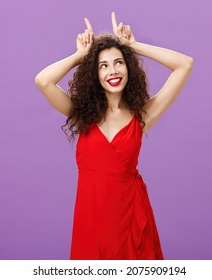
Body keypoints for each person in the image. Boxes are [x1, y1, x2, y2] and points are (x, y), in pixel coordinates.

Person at [35, 12, 193, 260]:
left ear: (128, 66)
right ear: (95, 74)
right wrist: (79, 57)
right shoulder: (82, 114)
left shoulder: (142, 116)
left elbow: (184, 64)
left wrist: (133, 45)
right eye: (103, 65)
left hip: (130, 219)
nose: (113, 71)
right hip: (91, 223)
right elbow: (43, 80)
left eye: (119, 62)